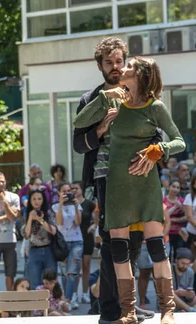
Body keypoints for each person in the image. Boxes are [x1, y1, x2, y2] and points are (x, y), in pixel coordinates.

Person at [74, 56, 185, 324]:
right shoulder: (113, 102)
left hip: (145, 185)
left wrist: (159, 150)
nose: (121, 69)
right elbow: (79, 123)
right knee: (120, 251)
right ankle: (128, 312)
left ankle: (167, 310)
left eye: (128, 67)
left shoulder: (155, 107)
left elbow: (179, 141)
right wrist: (103, 100)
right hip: (116, 187)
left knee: (157, 248)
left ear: (141, 76)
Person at [52, 183, 84, 309]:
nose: (67, 193)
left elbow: (78, 222)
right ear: (59, 193)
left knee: (72, 272)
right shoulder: (55, 206)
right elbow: (59, 222)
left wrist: (76, 207)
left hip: (76, 241)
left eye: (69, 191)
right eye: (64, 191)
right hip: (62, 243)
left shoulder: (77, 205)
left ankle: (68, 299)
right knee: (65, 272)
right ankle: (66, 299)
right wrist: (60, 204)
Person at [25, 189, 58, 290]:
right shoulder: (28, 213)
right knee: (35, 282)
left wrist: (41, 220)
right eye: (34, 199)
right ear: (30, 200)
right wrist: (30, 218)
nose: (36, 201)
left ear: (43, 200)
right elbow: (26, 234)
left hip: (49, 250)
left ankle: (51, 304)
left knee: (51, 281)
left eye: (39, 199)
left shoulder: (48, 212)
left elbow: (53, 231)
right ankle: (37, 305)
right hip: (34, 250)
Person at [72, 181, 98, 304]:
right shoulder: (70, 204)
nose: (74, 191)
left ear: (81, 189)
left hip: (87, 236)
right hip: (74, 237)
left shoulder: (89, 204)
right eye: (72, 189)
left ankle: (85, 293)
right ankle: (74, 294)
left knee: (86, 266)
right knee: (76, 267)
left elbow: (96, 218)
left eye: (76, 188)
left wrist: (93, 226)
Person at [164, 180, 187, 261]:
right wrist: (174, 207)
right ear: (169, 187)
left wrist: (171, 219)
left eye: (178, 187)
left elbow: (186, 217)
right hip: (167, 232)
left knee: (179, 256)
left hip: (179, 232)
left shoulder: (182, 201)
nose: (175, 189)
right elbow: (163, 216)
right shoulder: (163, 200)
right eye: (173, 186)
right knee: (167, 256)